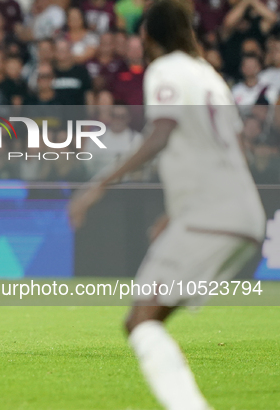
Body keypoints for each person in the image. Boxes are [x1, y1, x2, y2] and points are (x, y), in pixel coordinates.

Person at [69, 1, 266, 409]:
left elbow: (161, 133)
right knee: (145, 320)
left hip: (213, 217)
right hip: (240, 214)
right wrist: (176, 213)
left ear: (147, 37)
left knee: (140, 322)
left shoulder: (165, 71)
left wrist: (97, 186)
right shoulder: (210, 76)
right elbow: (224, 148)